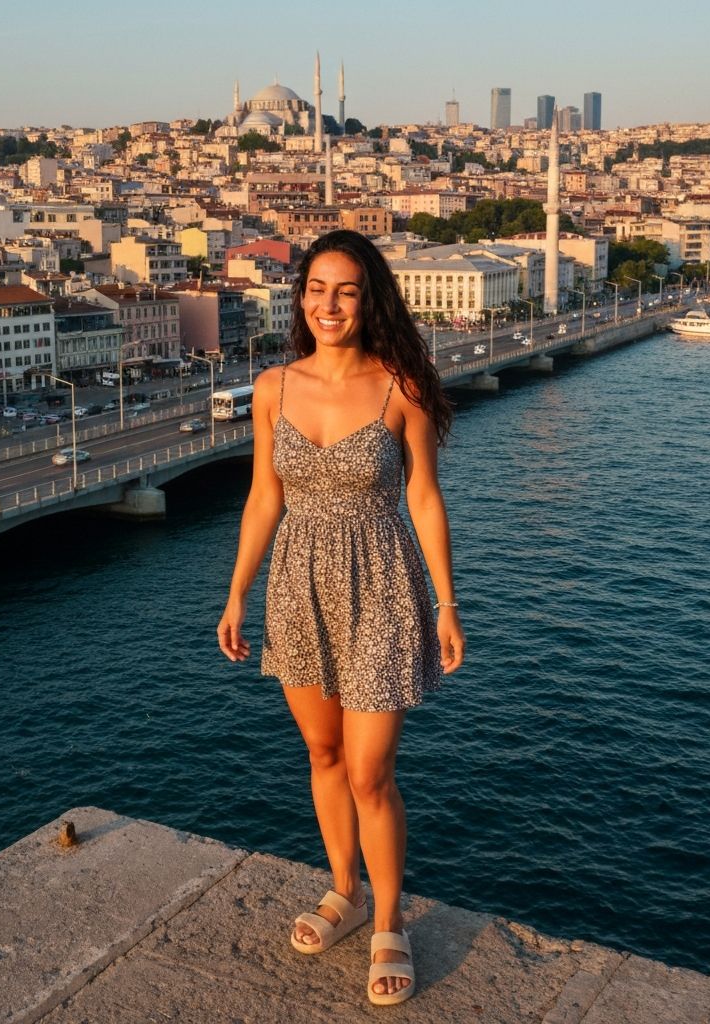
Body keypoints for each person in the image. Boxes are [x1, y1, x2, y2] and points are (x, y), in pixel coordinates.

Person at [217, 229, 464, 1007]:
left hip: (383, 585)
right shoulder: (273, 387)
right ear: (300, 298)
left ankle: (390, 921)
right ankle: (346, 891)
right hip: (298, 587)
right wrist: (236, 593)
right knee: (324, 754)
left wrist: (448, 604)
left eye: (347, 291)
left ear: (369, 300)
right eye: (317, 289)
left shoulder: (401, 387)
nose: (329, 304)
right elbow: (265, 497)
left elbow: (424, 498)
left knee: (370, 771)